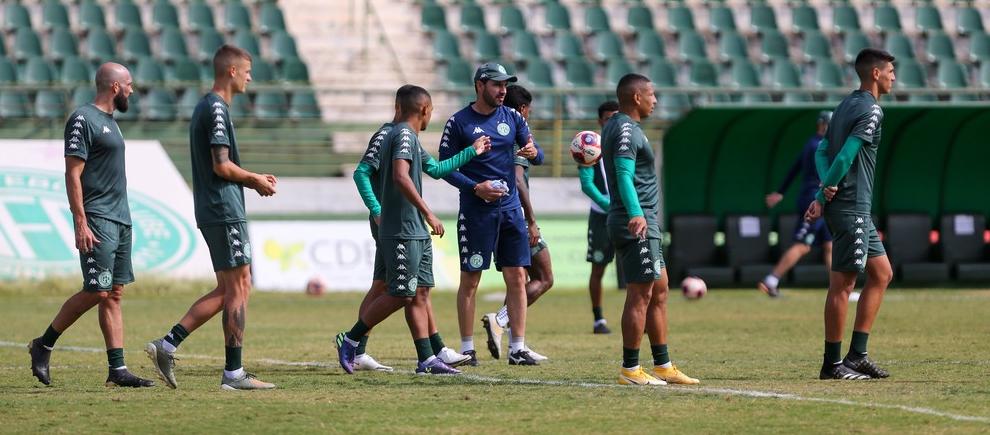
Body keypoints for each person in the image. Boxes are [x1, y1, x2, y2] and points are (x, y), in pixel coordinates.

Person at [145, 45, 279, 390]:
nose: (250, 77)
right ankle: (233, 374)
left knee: (236, 285)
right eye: (247, 71)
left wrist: (252, 179)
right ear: (231, 71)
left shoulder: (212, 106)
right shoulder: (216, 108)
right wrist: (254, 180)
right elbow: (221, 165)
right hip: (222, 208)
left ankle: (168, 344)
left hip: (219, 207)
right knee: (237, 286)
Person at [337, 85, 491, 375]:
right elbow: (384, 175)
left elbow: (434, 169)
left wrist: (472, 151)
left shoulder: (409, 138)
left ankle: (429, 357)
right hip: (401, 225)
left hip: (413, 226)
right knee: (399, 292)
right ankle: (353, 339)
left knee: (417, 291)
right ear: (424, 110)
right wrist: (384, 210)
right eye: (430, 111)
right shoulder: (398, 134)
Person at [28, 63, 155, 388]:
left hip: (120, 218)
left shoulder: (110, 122)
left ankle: (117, 370)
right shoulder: (83, 118)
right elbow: (73, 174)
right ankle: (43, 343)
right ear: (114, 87)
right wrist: (80, 222)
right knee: (98, 289)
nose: (132, 90)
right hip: (97, 217)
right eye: (129, 84)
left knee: (113, 293)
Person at [439, 63, 544, 366]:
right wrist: (476, 188)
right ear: (480, 85)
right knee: (471, 280)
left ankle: (518, 348)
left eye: (505, 86)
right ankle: (468, 348)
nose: (503, 91)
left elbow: (537, 154)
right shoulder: (458, 122)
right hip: (476, 213)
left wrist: (532, 153)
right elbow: (444, 168)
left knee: (517, 277)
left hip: (511, 212)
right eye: (497, 85)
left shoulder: (512, 117)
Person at [603, 73, 699, 386]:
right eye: (651, 94)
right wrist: (635, 213)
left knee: (659, 290)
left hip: (647, 220)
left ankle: (663, 365)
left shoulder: (626, 127)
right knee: (640, 293)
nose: (655, 100)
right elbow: (623, 174)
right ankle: (630, 370)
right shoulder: (626, 129)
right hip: (637, 221)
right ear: (636, 97)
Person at [805, 48, 895, 381]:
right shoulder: (872, 110)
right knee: (842, 285)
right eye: (890, 71)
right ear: (875, 74)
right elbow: (843, 156)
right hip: (851, 206)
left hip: (853, 207)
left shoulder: (844, 105)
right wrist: (825, 189)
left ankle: (857, 356)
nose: (893, 77)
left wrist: (823, 189)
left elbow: (823, 151)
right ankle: (832, 365)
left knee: (882, 273)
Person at [479, 84, 551, 362]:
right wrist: (531, 220)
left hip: (504, 214)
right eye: (529, 111)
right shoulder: (515, 134)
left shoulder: (500, 130)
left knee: (522, 278)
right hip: (515, 216)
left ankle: (515, 341)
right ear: (522, 110)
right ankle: (502, 321)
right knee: (543, 277)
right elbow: (518, 179)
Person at [759, 111, 835, 297]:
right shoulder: (818, 145)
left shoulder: (812, 144)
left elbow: (794, 168)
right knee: (803, 244)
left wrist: (781, 192)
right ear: (823, 125)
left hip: (819, 199)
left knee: (829, 245)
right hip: (814, 200)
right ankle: (771, 280)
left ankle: (840, 288)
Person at [581, 101, 622, 334]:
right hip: (601, 218)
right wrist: (610, 205)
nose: (611, 122)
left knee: (636, 269)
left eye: (616, 117)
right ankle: (598, 319)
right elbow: (587, 185)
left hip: (627, 215)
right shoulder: (589, 145)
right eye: (607, 118)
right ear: (600, 121)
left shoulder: (627, 142)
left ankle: (643, 317)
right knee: (598, 268)